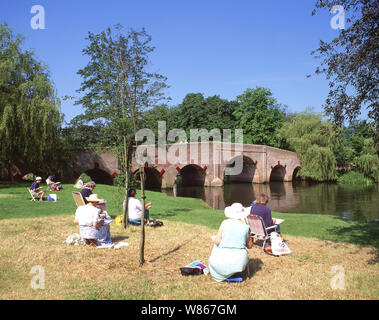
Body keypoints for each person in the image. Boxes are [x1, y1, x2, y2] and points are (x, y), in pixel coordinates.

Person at [208, 203, 253, 282]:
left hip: (219, 261)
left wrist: (215, 239)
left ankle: (222, 272)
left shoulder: (225, 223)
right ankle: (234, 271)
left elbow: (217, 242)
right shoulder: (246, 227)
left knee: (215, 246)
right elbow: (249, 246)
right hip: (239, 262)